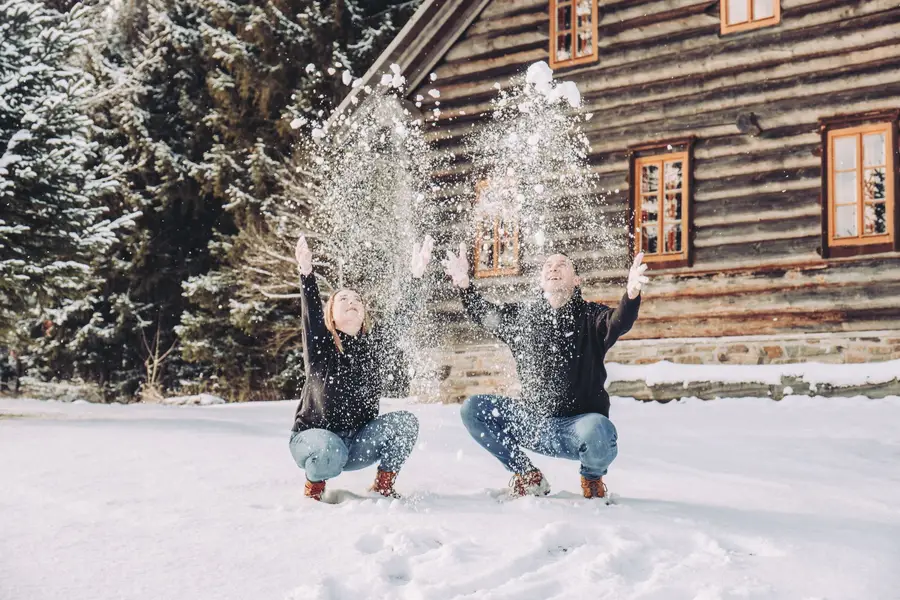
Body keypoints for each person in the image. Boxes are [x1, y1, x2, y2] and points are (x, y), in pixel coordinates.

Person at [442, 245, 648, 500]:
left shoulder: (591, 316)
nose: (553, 268)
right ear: (541, 280)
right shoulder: (523, 317)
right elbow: (486, 314)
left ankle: (592, 479)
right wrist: (465, 286)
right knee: (473, 408)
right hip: (533, 424)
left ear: (576, 280)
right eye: (548, 266)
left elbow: (618, 321)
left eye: (562, 264)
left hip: (577, 429)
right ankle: (527, 475)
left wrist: (631, 295)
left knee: (600, 429)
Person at [290, 234, 434, 501]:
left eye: (357, 299)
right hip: (313, 439)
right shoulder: (321, 345)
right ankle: (314, 491)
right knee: (331, 449)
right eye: (343, 298)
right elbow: (309, 311)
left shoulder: (373, 347)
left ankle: (383, 486)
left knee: (405, 424)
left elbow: (401, 320)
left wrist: (417, 277)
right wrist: (307, 274)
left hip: (355, 442)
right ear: (330, 314)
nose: (352, 301)